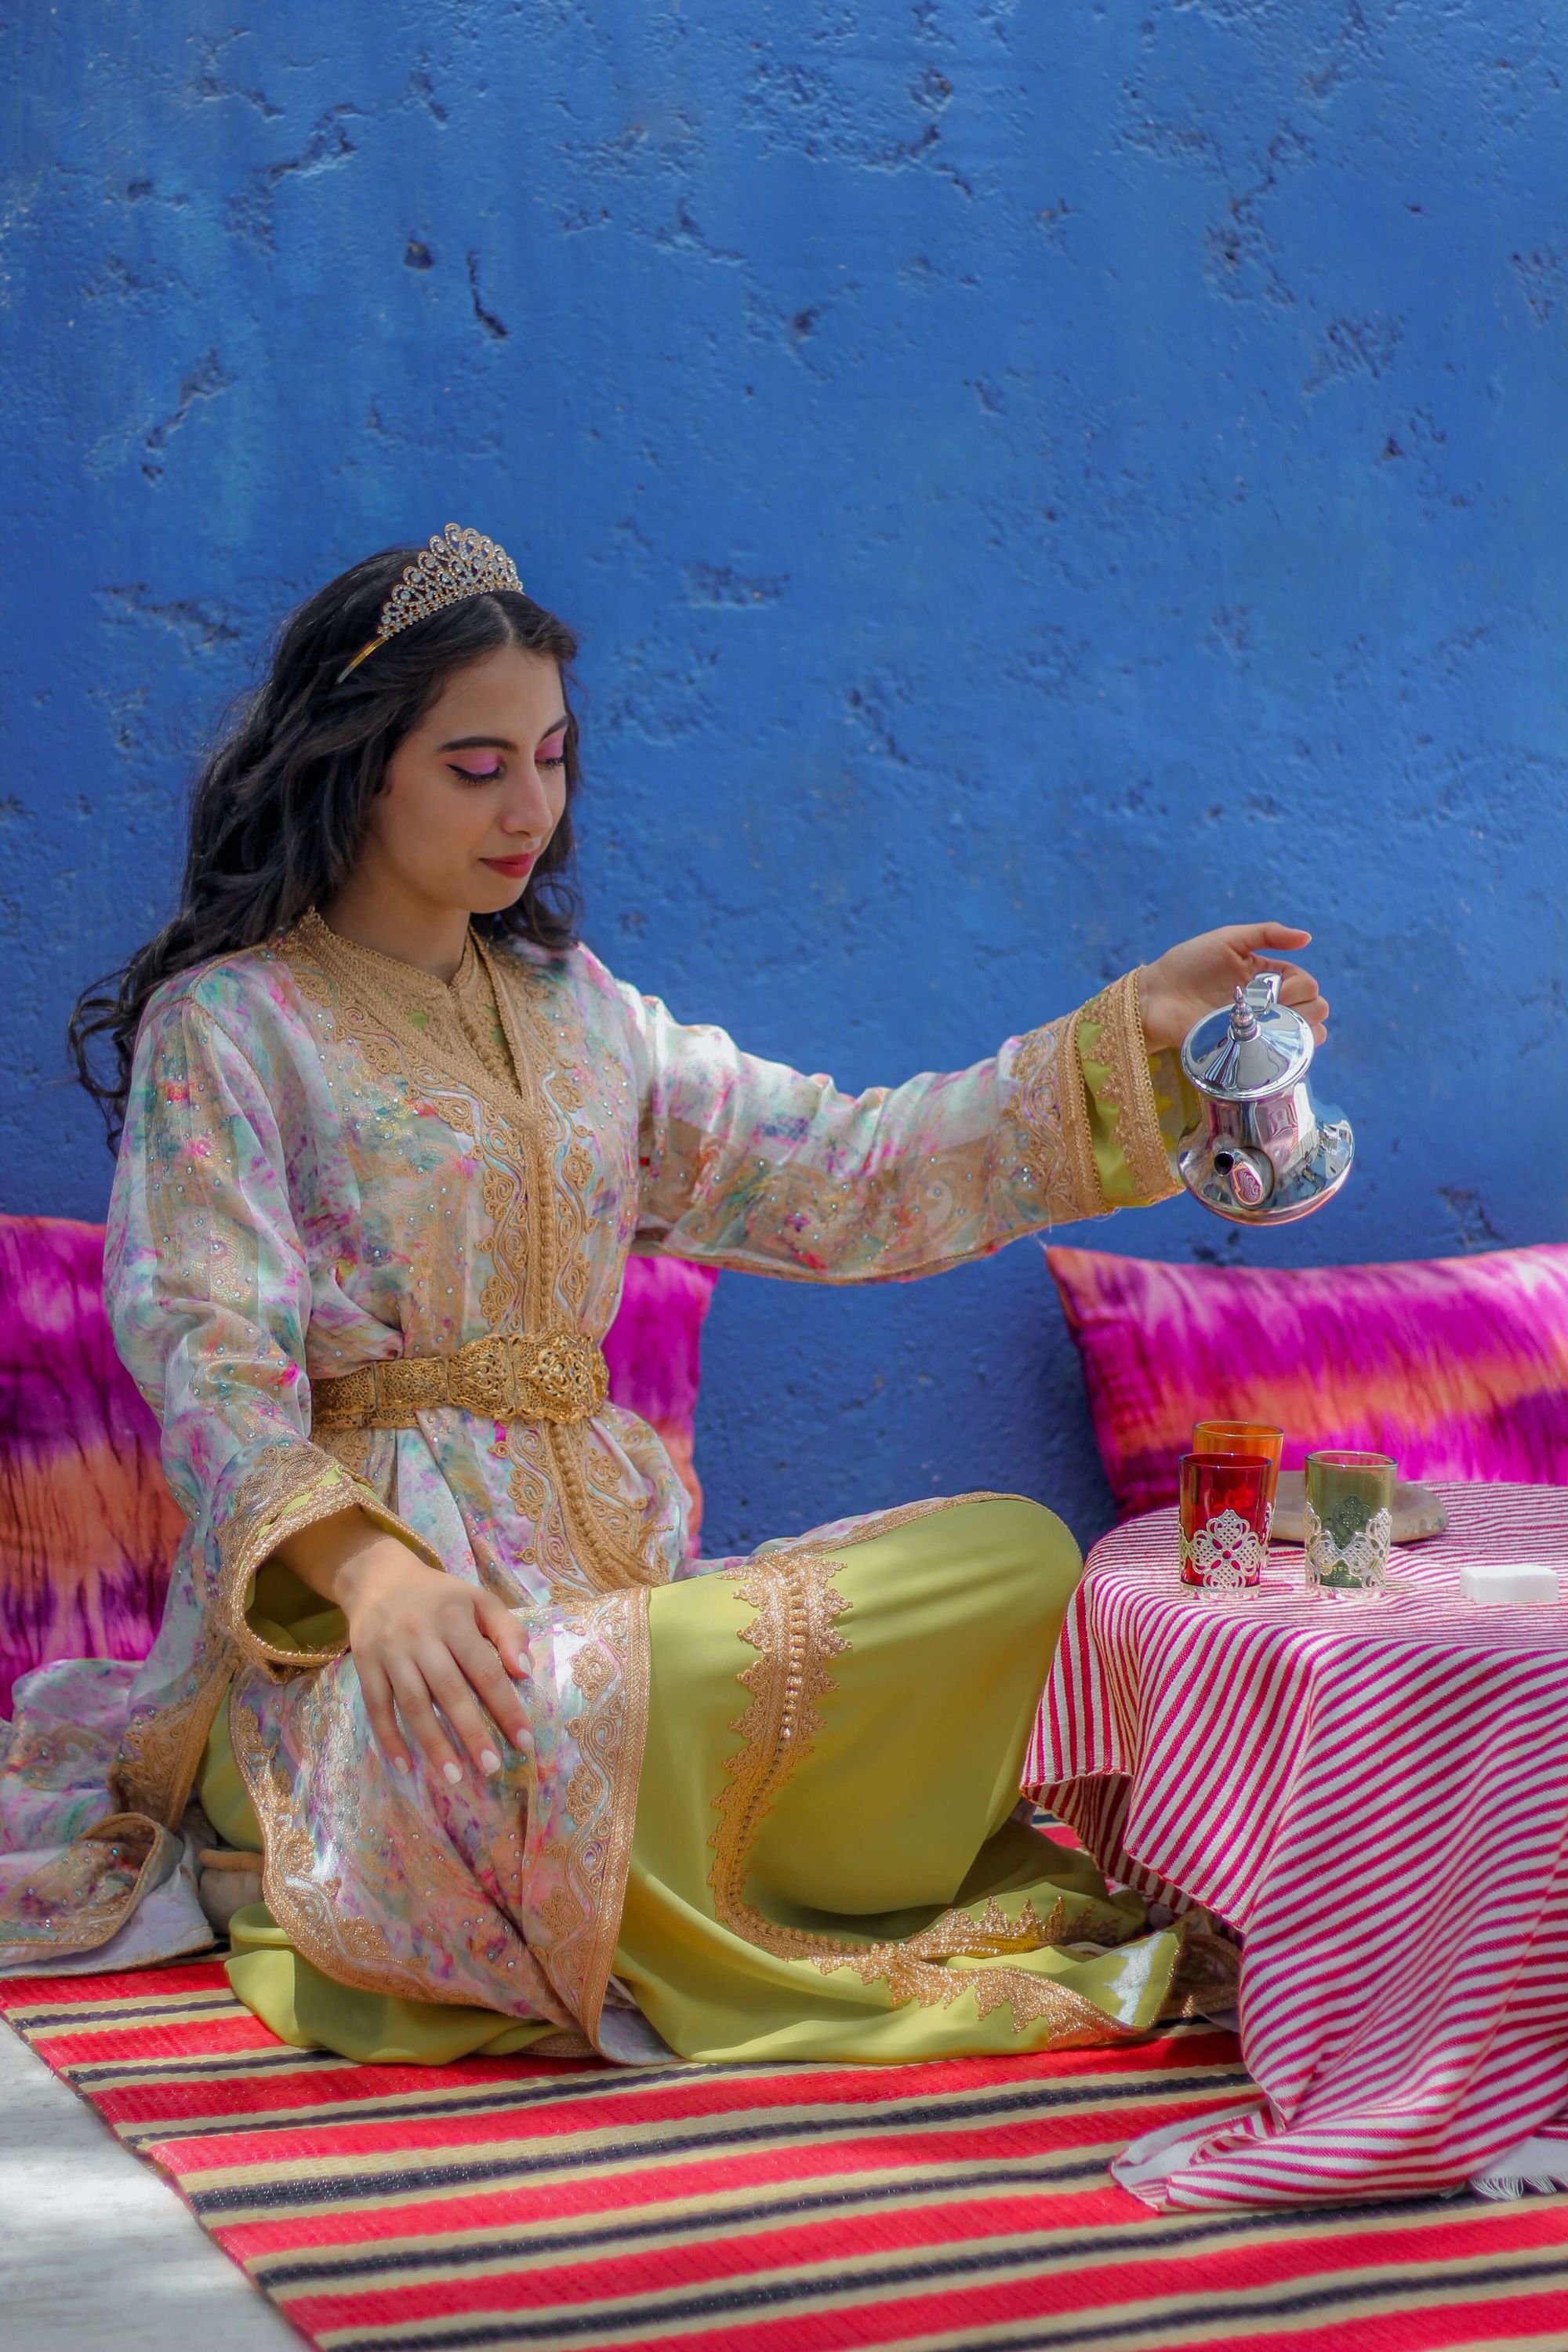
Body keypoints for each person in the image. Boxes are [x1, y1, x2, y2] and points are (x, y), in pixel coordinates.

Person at [0, 526, 1329, 2066]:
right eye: (477, 765)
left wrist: (1128, 1042)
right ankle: (573, 1843)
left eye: (552, 760)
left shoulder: (584, 1019)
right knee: (538, 1717)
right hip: (373, 1665)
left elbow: (848, 1172)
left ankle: (648, 1825)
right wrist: (376, 1583)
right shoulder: (232, 1027)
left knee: (1026, 1565)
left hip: (617, 1610)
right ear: (359, 767)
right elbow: (209, 1362)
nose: (532, 808)